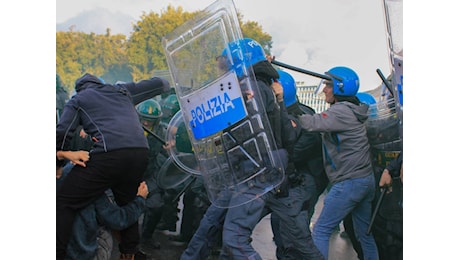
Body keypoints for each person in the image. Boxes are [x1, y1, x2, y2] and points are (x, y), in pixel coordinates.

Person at [181, 38, 297, 260]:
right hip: (244, 171)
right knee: (211, 224)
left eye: (224, 63)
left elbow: (241, 134)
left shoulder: (249, 88)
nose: (221, 69)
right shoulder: (260, 87)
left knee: (234, 238)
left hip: (254, 170)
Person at [56, 73, 170, 260]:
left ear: (80, 89)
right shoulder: (121, 90)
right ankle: (129, 251)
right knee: (127, 198)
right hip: (140, 151)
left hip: (109, 153)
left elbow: (63, 131)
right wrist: (165, 83)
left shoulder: (79, 99)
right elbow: (160, 84)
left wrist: (58, 164)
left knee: (65, 202)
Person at [296, 66, 379, 259]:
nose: (324, 89)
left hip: (348, 183)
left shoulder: (341, 111)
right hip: (365, 181)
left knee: (321, 230)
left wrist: (287, 113)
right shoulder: (353, 109)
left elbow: (310, 124)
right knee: (364, 234)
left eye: (328, 85)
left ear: (340, 88)